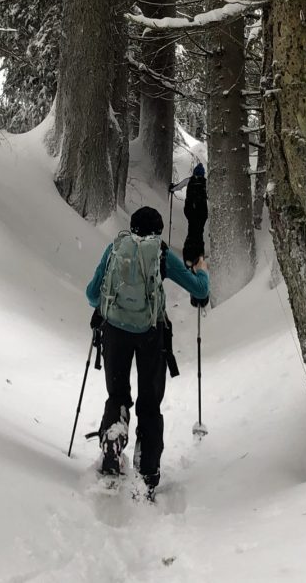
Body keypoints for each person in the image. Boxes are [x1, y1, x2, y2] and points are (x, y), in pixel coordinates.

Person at [86, 206, 209, 496]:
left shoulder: (116, 247)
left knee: (117, 395)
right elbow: (199, 290)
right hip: (151, 335)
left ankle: (114, 437)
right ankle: (148, 468)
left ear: (131, 227)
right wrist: (201, 270)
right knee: (150, 404)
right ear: (157, 231)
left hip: (114, 331)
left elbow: (92, 294)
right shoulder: (161, 253)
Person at [176, 162, 208, 268]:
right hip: (202, 212)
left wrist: (172, 188)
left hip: (191, 211)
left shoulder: (189, 180)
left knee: (192, 232)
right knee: (199, 233)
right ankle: (199, 256)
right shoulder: (206, 183)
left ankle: (189, 256)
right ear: (203, 174)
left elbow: (178, 187)